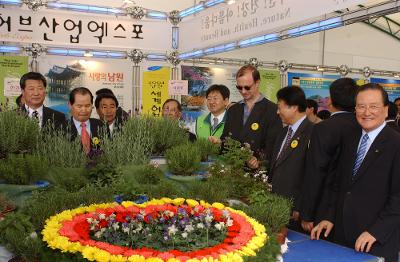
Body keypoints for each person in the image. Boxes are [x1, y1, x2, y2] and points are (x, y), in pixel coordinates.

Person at [311, 83, 400, 261]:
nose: (367, 112)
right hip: (342, 236)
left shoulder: (396, 144)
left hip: (375, 241)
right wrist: (329, 217)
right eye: (361, 106)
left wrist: (375, 231)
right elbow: (339, 183)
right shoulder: (349, 138)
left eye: (373, 106)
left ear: (385, 109)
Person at [300, 78, 359, 233]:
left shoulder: (323, 129)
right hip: (353, 208)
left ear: (331, 100)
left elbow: (315, 172)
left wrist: (307, 213)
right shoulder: (362, 126)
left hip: (324, 208)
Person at [213, 65, 282, 169]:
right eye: (239, 87)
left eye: (247, 87)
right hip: (233, 171)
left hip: (259, 174)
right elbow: (227, 139)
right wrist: (219, 143)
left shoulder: (272, 110)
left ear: (257, 83)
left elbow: (274, 146)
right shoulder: (233, 110)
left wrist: (258, 161)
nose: (243, 91)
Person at [269, 86, 313, 229]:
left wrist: (300, 206)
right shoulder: (283, 132)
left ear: (293, 107)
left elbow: (312, 174)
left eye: (279, 107)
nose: (277, 112)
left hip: (294, 210)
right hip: (275, 204)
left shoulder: (313, 133)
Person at [67, 87, 109, 154]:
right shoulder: (60, 128)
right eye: (79, 106)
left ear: (92, 105)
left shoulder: (102, 126)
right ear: (70, 105)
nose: (84, 110)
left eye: (87, 106)